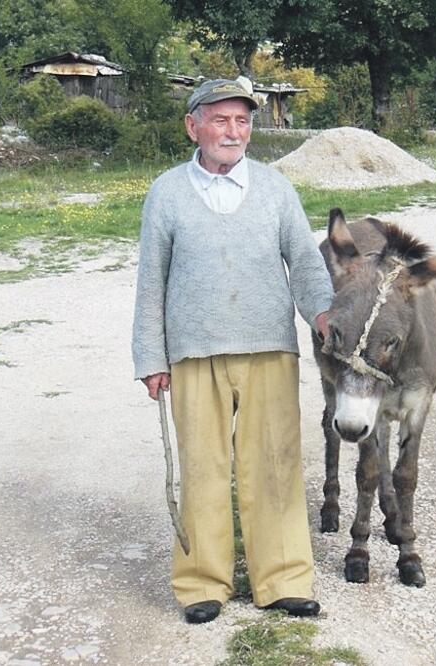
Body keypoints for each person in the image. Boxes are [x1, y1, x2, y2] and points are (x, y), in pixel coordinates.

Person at [131, 78, 333, 625]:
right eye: (220, 120)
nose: (233, 131)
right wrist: (150, 357)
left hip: (269, 347)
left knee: (275, 463)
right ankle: (202, 583)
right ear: (192, 126)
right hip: (194, 352)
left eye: (242, 121)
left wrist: (323, 316)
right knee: (203, 468)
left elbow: (305, 263)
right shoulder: (167, 193)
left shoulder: (276, 189)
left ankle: (283, 579)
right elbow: (151, 281)